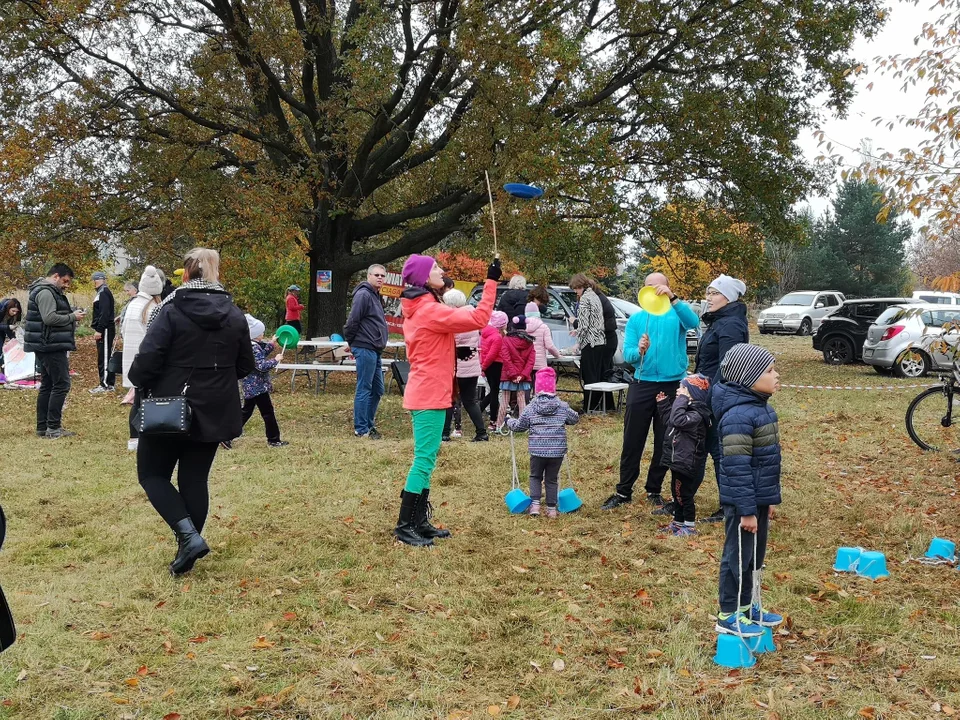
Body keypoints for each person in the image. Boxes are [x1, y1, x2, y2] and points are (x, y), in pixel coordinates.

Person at [129, 248, 255, 575]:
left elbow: (148, 359)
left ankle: (188, 539)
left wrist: (139, 381)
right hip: (215, 407)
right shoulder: (234, 314)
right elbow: (245, 365)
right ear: (216, 274)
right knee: (194, 479)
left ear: (185, 274)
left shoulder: (169, 311)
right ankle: (187, 548)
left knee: (152, 474)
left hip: (169, 405)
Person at [395, 253, 501, 547]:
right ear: (423, 277)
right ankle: (405, 527)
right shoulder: (428, 311)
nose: (441, 271)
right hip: (428, 393)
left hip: (430, 391)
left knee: (427, 461)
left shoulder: (424, 306)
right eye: (436, 268)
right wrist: (491, 281)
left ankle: (419, 522)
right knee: (423, 460)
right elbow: (480, 318)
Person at [602, 273, 699, 511]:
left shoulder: (676, 314)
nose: (654, 289)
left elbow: (694, 323)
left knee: (665, 440)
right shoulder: (637, 319)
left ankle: (654, 489)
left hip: (672, 384)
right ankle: (623, 491)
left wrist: (674, 299)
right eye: (649, 286)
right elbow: (629, 356)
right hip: (642, 383)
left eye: (659, 285)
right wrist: (640, 350)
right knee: (633, 439)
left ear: (667, 287)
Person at [712, 343, 783, 636]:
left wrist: (767, 500)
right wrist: (746, 510)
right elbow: (737, 466)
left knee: (755, 557)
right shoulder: (738, 416)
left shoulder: (760, 408)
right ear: (748, 377)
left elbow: (765, 462)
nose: (776, 375)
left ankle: (747, 607)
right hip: (744, 504)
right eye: (769, 370)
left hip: (757, 500)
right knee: (737, 558)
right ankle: (728, 614)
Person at [694, 274, 749, 523]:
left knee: (719, 451)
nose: (709, 297)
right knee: (698, 448)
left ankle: (729, 508)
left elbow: (728, 365)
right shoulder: (719, 321)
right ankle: (683, 501)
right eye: (708, 292)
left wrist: (710, 395)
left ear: (728, 297)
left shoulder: (731, 325)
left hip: (719, 398)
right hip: (706, 394)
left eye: (714, 293)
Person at [507, 367, 579, 518]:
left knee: (535, 476)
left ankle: (535, 506)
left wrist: (509, 421)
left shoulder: (531, 407)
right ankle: (552, 509)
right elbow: (574, 419)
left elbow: (520, 426)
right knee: (551, 479)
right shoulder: (562, 406)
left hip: (537, 450)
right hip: (557, 451)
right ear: (554, 386)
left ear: (536, 386)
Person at [24, 264, 85, 439]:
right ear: (56, 276)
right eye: (65, 281)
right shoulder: (46, 292)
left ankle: (43, 428)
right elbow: (49, 318)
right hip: (50, 345)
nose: (66, 285)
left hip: (46, 343)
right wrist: (72, 317)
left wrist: (69, 314)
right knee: (62, 384)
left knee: (49, 385)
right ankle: (53, 428)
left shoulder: (46, 291)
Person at [662, 374, 712, 536]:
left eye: (683, 388)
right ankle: (678, 522)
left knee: (685, 494)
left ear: (693, 394)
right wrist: (663, 405)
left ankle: (689, 526)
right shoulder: (687, 411)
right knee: (677, 493)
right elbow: (670, 421)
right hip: (678, 460)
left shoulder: (697, 415)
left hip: (688, 461)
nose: (678, 391)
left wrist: (681, 400)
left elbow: (677, 420)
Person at [121, 266, 164, 451]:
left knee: (138, 399)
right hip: (147, 360)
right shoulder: (154, 308)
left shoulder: (133, 305)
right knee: (148, 400)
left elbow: (123, 331)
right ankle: (146, 436)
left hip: (132, 360)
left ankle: (134, 438)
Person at [344, 265, 389, 439]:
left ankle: (369, 425)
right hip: (364, 347)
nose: (380, 278)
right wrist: (352, 341)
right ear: (368, 276)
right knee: (364, 387)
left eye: (382, 276)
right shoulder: (363, 294)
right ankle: (361, 429)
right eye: (376, 275)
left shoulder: (375, 295)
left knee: (378, 389)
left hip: (375, 348)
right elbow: (353, 320)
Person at [441, 290, 488, 442]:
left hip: (456, 366)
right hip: (472, 364)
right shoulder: (472, 317)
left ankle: (445, 433)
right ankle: (481, 432)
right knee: (470, 401)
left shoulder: (454, 319)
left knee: (449, 400)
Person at [237, 315, 288, 448]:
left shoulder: (252, 346)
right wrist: (275, 360)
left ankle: (227, 436)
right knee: (267, 413)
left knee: (247, 412)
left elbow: (260, 356)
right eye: (261, 333)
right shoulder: (253, 348)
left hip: (253, 386)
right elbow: (260, 366)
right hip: (257, 386)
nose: (263, 334)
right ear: (254, 334)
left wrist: (271, 344)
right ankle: (274, 439)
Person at [569, 274, 608, 411]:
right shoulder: (595, 296)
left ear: (580, 286)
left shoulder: (585, 299)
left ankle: (588, 407)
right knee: (597, 376)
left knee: (589, 377)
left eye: (575, 288)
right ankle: (596, 405)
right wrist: (578, 330)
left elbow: (584, 325)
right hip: (600, 341)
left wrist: (577, 343)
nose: (575, 291)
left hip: (590, 343)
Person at [495, 315, 535, 431]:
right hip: (523, 376)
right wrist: (522, 375)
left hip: (508, 375)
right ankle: (523, 426)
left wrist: (513, 374)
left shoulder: (506, 340)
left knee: (504, 400)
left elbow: (506, 359)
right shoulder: (530, 342)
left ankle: (498, 426)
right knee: (522, 400)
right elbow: (530, 361)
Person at [479, 311, 507, 432]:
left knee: (493, 391)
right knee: (495, 392)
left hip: (488, 365)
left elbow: (483, 351)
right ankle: (493, 420)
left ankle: (478, 409)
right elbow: (492, 354)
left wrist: (483, 365)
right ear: (501, 324)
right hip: (495, 365)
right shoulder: (497, 337)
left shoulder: (485, 334)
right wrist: (484, 367)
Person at [524, 301, 561, 392]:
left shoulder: (522, 327)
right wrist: (558, 355)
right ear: (538, 313)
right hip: (540, 363)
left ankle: (525, 405)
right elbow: (549, 346)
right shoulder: (544, 327)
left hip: (526, 362)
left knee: (526, 387)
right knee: (539, 387)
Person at [90, 271, 117, 393]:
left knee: (104, 356)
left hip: (105, 329)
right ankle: (109, 383)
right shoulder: (101, 292)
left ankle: (105, 384)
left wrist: (99, 329)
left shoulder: (104, 292)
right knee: (104, 356)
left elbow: (104, 313)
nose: (94, 282)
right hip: (104, 328)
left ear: (101, 280)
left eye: (95, 280)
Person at [0, 299, 22, 381]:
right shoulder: (1, 308)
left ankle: (4, 373)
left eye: (16, 311)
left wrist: (15, 340)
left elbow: (7, 329)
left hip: (2, 332)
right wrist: (8, 327)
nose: (14, 313)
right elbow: (6, 327)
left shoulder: (11, 316)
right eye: (13, 311)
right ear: (8, 308)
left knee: (1, 352)